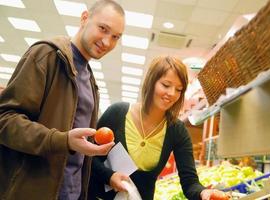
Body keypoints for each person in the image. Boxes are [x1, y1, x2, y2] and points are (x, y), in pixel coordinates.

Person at [0, 0, 125, 200]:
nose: (107, 42)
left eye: (115, 37)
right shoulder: (47, 56)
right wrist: (63, 140)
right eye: (103, 29)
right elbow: (5, 120)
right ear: (85, 18)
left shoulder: (90, 80)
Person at [88, 56, 229, 200]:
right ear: (151, 82)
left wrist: (203, 192)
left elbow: (190, 182)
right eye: (166, 85)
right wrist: (109, 176)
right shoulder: (117, 113)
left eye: (179, 89)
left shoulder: (177, 131)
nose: (172, 93)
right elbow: (87, 155)